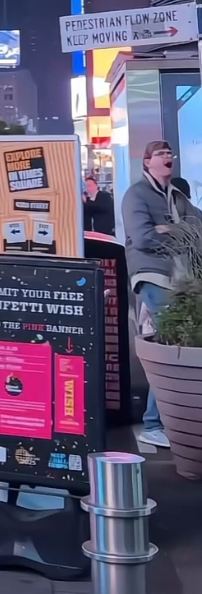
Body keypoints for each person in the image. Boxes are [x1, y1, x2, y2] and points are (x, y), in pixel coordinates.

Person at [123, 140, 202, 448]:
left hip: (177, 278)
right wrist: (179, 232)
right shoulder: (136, 195)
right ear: (147, 162)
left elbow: (198, 229)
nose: (168, 157)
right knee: (172, 344)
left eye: (169, 153)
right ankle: (155, 423)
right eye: (160, 153)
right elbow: (142, 238)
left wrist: (169, 229)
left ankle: (161, 421)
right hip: (152, 274)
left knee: (172, 347)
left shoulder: (176, 196)